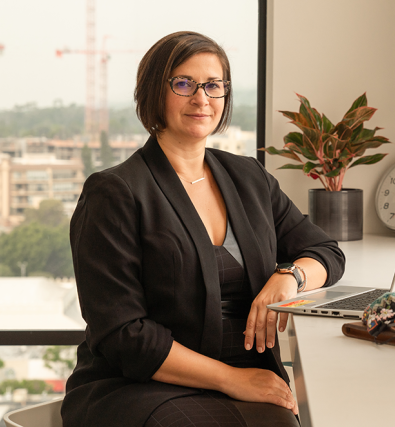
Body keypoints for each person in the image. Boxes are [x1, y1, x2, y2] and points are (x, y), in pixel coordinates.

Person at [61, 31, 345, 427]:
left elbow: (326, 253)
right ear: (153, 93)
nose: (201, 99)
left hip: (250, 374)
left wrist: (291, 276)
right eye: (183, 83)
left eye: (213, 85)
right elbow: (124, 335)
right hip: (139, 385)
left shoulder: (248, 177)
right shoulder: (114, 192)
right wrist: (232, 379)